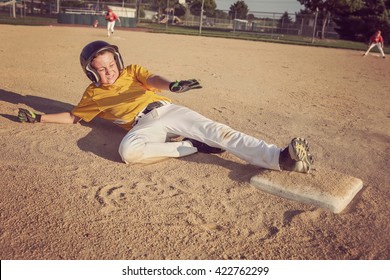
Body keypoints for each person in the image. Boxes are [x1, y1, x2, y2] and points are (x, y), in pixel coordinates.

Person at [18, 41, 314, 173]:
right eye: (101, 69)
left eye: (111, 65)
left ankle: (279, 158)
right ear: (91, 73)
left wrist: (171, 86)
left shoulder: (132, 71)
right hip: (143, 126)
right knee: (128, 152)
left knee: (219, 132)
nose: (109, 72)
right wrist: (39, 118)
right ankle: (191, 146)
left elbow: (154, 79)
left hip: (168, 110)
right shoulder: (93, 94)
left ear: (119, 62)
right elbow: (72, 117)